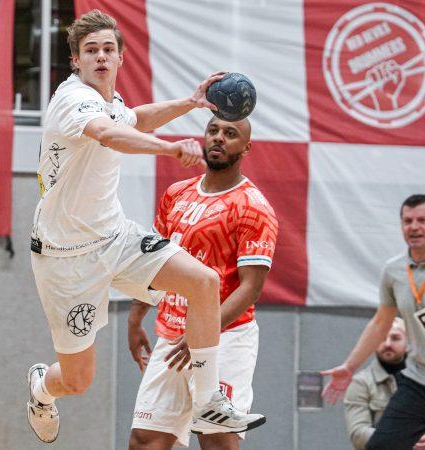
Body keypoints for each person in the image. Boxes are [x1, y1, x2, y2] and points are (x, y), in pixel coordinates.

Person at [25, 9, 266, 443]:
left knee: (204, 282)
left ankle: (209, 399)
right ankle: (43, 387)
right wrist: (171, 151)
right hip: (65, 259)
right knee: (78, 379)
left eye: (108, 49)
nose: (100, 57)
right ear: (76, 61)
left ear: (120, 57)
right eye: (90, 51)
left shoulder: (111, 102)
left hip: (115, 237)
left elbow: (133, 119)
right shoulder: (72, 99)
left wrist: (190, 103)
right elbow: (111, 135)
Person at [126, 115, 278, 450]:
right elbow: (155, 263)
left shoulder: (254, 207)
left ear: (246, 147)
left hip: (227, 339)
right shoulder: (176, 194)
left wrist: (201, 332)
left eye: (230, 134)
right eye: (213, 131)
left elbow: (251, 288)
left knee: (216, 440)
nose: (219, 138)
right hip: (170, 337)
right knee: (144, 440)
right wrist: (136, 316)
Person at [322, 194, 425, 449]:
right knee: (380, 446)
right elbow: (381, 322)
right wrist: (350, 366)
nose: (414, 227)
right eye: (407, 221)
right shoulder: (394, 270)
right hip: (420, 384)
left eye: (422, 220)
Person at [344, 318, 425, 450]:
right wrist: (404, 438)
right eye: (382, 338)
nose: (387, 344)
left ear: (409, 343)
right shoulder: (361, 382)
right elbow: (357, 434)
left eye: (395, 338)